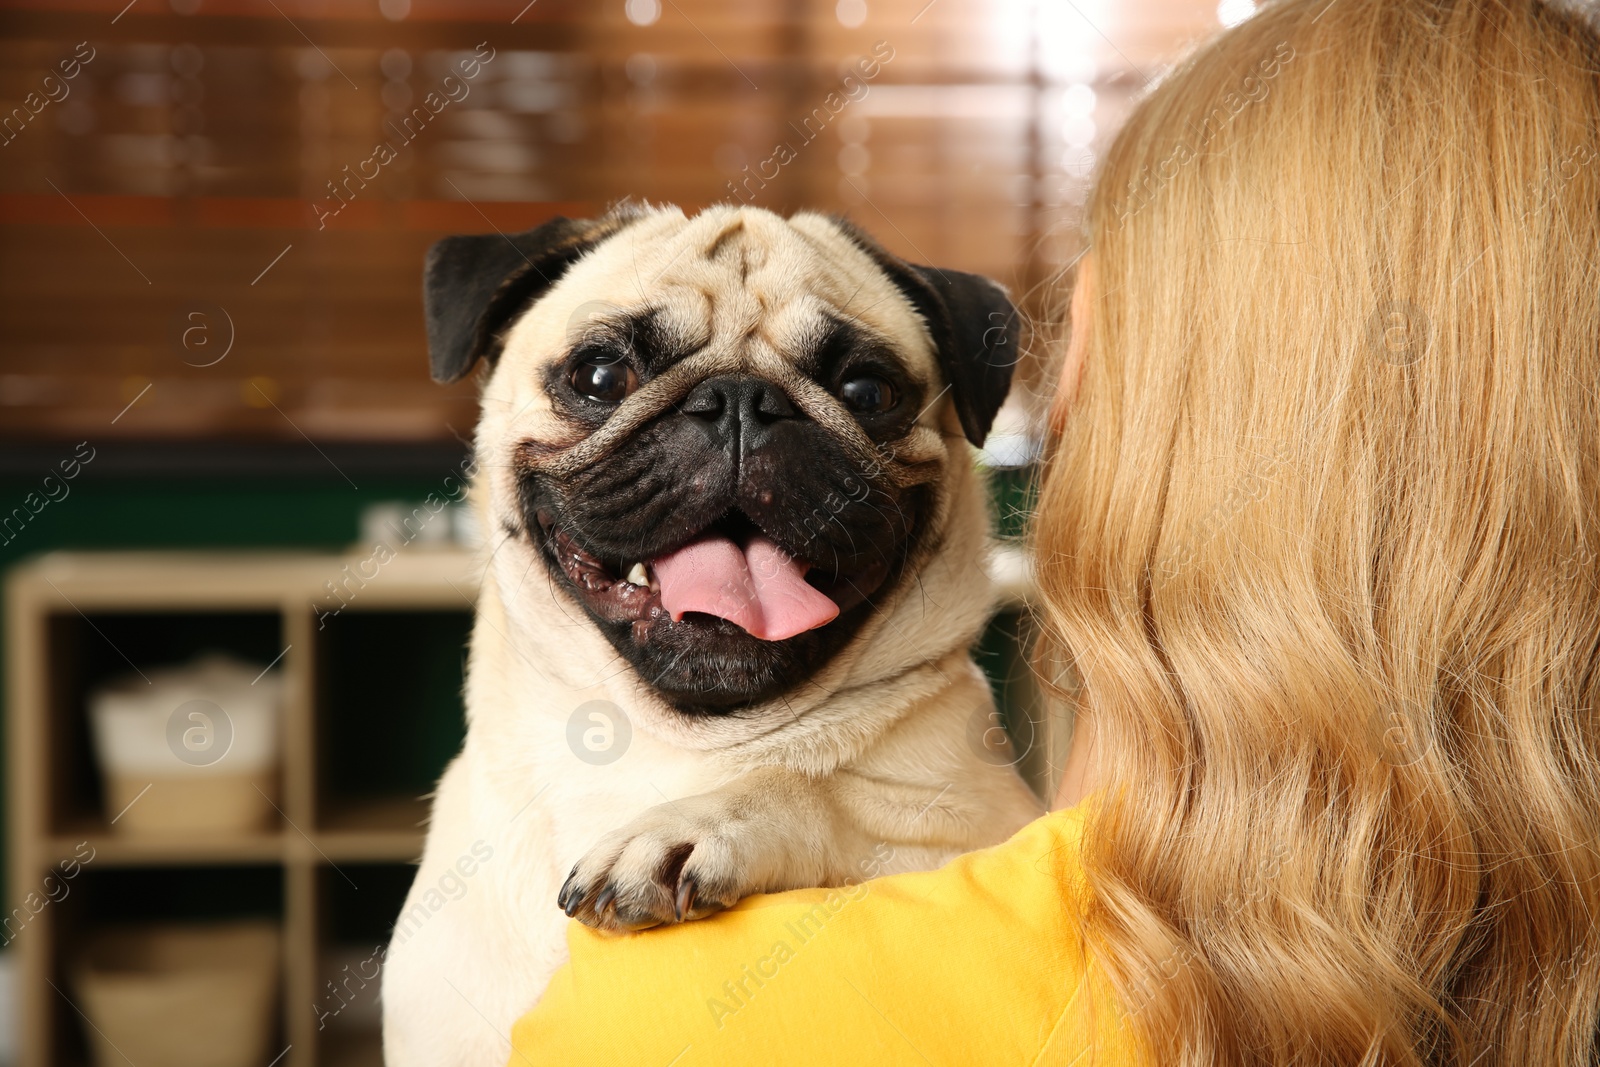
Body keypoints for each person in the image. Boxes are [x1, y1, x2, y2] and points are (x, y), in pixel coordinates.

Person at [507, 0, 1600, 1061]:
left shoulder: (666, 1019)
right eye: (607, 377)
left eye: (861, 389)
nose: (735, 424)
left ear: (1071, 369)